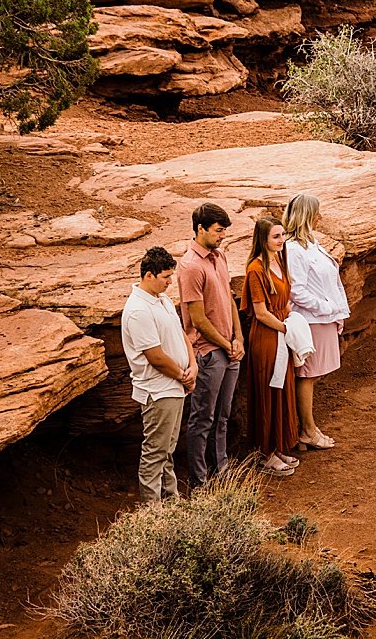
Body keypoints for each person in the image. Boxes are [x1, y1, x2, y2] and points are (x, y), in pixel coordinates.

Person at [120, 245, 196, 502]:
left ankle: (171, 500)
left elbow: (182, 334)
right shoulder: (138, 310)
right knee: (155, 451)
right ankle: (153, 510)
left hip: (175, 386)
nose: (170, 282)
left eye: (170, 276)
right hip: (158, 389)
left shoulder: (161, 300)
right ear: (148, 275)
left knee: (168, 449)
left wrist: (193, 365)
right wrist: (182, 375)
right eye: (165, 277)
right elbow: (155, 356)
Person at [177, 201, 244, 489]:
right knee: (202, 417)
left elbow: (229, 298)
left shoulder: (220, 257)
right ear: (200, 229)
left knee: (223, 415)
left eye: (224, 231)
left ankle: (222, 469)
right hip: (208, 352)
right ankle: (199, 481)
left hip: (229, 348)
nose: (222, 236)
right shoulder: (190, 266)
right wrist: (226, 344)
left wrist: (239, 337)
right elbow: (198, 319)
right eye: (218, 231)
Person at [283, 192, 349, 450]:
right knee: (307, 375)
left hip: (323, 318)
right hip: (311, 320)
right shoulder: (293, 249)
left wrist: (335, 311)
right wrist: (326, 308)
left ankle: (307, 426)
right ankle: (307, 430)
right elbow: (296, 290)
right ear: (307, 215)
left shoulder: (311, 243)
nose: (321, 217)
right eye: (317, 212)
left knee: (314, 373)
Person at [242, 216, 301, 477]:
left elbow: (285, 299)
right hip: (267, 337)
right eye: (276, 236)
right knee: (268, 389)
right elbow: (261, 312)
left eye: (283, 235)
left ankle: (278, 446)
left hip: (281, 332)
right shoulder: (256, 269)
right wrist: (286, 328)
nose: (281, 240)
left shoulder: (280, 260)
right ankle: (265, 454)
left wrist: (290, 319)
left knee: (283, 388)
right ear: (263, 239)